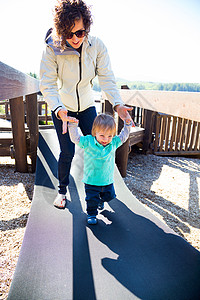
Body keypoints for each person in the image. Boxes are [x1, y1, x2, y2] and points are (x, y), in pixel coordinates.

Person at [40, 0, 133, 209]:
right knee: (67, 152)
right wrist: (58, 109)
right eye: (68, 34)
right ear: (61, 31)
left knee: (101, 146)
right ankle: (62, 190)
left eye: (80, 33)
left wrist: (118, 104)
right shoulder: (52, 48)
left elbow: (107, 78)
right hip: (64, 109)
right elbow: (47, 83)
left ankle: (101, 189)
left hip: (88, 106)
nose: (74, 38)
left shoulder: (96, 46)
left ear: (87, 28)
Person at [68, 113, 132, 224]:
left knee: (110, 196)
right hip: (91, 181)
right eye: (102, 135)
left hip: (107, 180)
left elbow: (123, 136)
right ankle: (92, 214)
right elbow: (75, 138)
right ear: (95, 132)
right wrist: (73, 126)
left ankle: (101, 200)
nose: (106, 139)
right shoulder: (88, 142)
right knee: (91, 200)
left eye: (110, 136)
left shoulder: (113, 143)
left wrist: (127, 125)